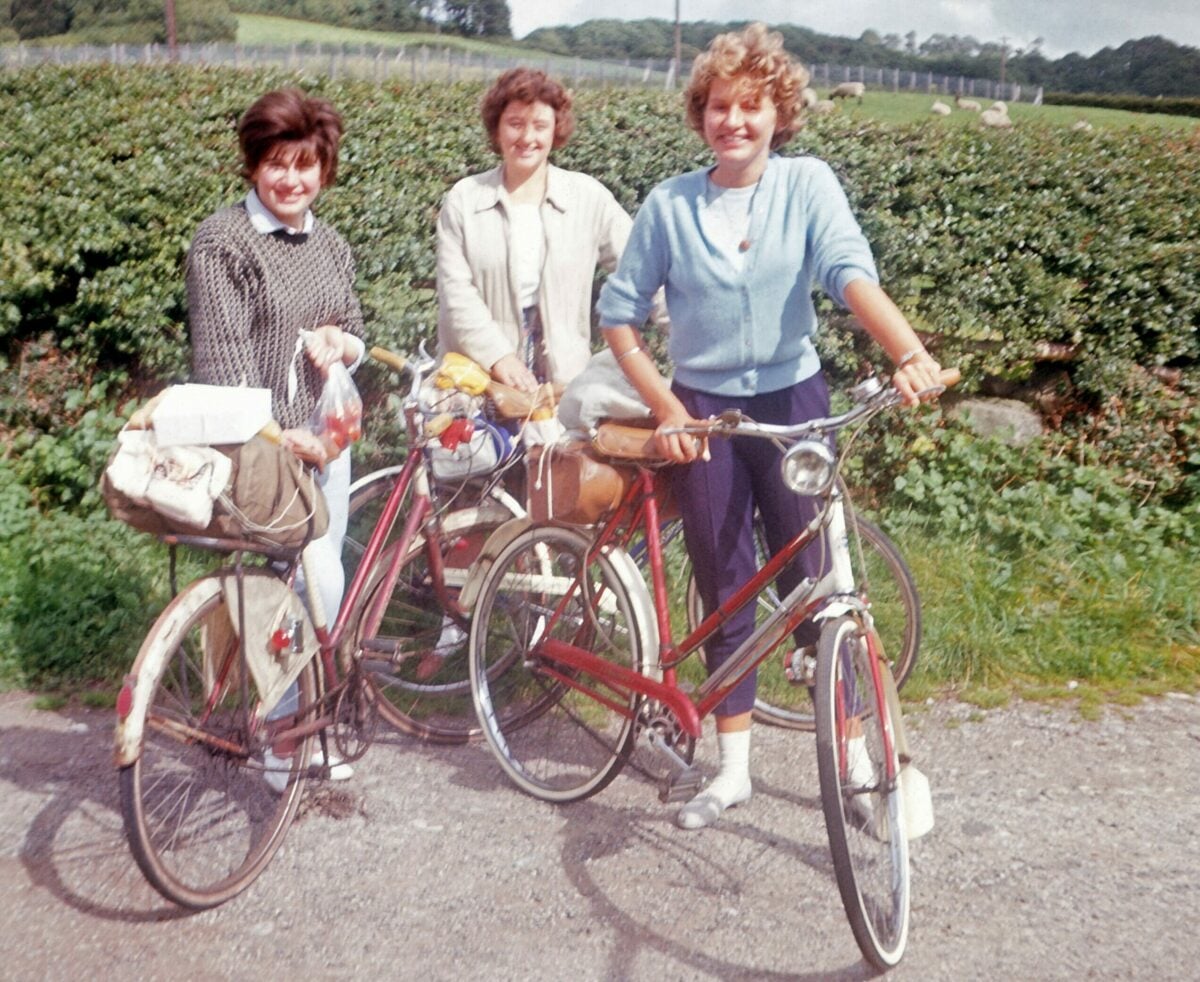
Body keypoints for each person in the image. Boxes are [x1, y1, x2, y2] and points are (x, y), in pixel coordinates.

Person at [597, 24, 945, 830]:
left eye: (751, 106)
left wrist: (910, 353)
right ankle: (733, 769)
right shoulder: (670, 204)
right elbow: (619, 318)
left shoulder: (807, 183)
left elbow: (848, 272)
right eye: (720, 106)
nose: (735, 121)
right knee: (725, 587)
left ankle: (863, 765)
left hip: (793, 408)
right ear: (701, 115)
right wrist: (669, 410)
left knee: (818, 587)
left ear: (777, 111)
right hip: (707, 418)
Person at [186, 87, 365, 784]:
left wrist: (339, 342)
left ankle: (300, 717)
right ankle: (280, 732)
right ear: (253, 166)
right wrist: (284, 437)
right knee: (301, 580)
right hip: (259, 449)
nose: (291, 179)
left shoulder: (332, 244)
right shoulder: (222, 241)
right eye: (276, 164)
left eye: (305, 165)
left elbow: (353, 328)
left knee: (325, 581)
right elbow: (223, 365)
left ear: (324, 169)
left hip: (330, 443)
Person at [436, 67, 649, 393]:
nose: (527, 138)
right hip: (477, 379)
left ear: (555, 130)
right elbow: (456, 294)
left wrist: (687, 334)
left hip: (563, 383)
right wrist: (499, 357)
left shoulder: (588, 197)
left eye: (540, 126)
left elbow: (642, 268)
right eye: (515, 124)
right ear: (497, 128)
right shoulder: (464, 199)